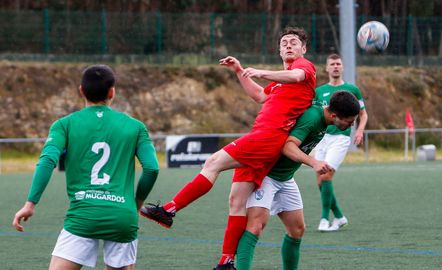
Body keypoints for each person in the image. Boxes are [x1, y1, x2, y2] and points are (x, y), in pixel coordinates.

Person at [140, 26, 316, 270]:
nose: (288, 44)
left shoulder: (304, 68)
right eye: (284, 42)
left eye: (294, 42)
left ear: (303, 49)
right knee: (236, 202)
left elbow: (296, 76)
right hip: (262, 140)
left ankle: (169, 210)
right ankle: (226, 261)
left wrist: (262, 72)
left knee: (213, 163)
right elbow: (259, 96)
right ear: (278, 49)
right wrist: (240, 72)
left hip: (267, 138)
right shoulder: (278, 84)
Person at [12, 65, 159, 270]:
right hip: (122, 216)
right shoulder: (136, 127)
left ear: (81, 90)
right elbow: (152, 169)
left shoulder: (64, 124)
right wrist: (136, 203)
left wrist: (30, 204)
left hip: (83, 216)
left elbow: (47, 161)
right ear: (112, 92)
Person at [236, 91, 360, 270]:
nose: (351, 125)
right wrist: (314, 162)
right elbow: (288, 146)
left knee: (297, 230)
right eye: (350, 121)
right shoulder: (312, 118)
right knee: (255, 227)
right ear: (334, 115)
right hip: (267, 175)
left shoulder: (324, 119)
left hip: (285, 178)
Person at [313, 53, 368, 232]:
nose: (335, 66)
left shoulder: (352, 89)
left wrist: (359, 130)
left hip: (340, 138)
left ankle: (324, 219)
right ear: (327, 68)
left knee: (326, 175)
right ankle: (339, 216)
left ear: (342, 67)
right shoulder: (319, 91)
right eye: (332, 64)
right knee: (320, 181)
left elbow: (363, 113)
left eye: (338, 64)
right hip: (322, 138)